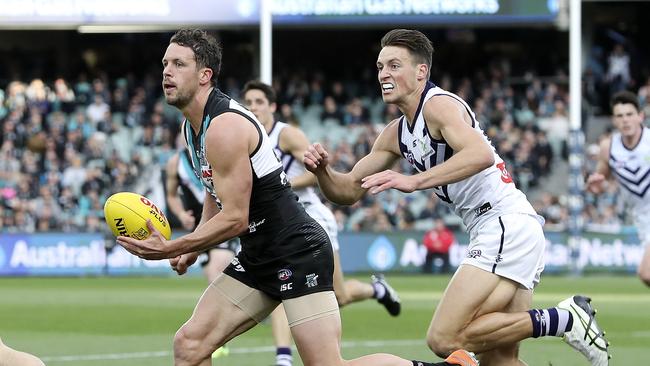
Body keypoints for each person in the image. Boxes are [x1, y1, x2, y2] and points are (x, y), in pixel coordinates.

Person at [116, 28, 477, 366]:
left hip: (297, 250)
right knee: (190, 344)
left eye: (179, 64)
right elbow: (216, 193)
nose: (167, 71)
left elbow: (236, 217)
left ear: (205, 75)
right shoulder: (192, 127)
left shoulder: (225, 127)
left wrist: (174, 246)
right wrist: (194, 247)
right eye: (166, 63)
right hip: (259, 255)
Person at [303, 28, 610, 366]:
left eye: (394, 65)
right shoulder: (396, 133)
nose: (383, 74)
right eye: (379, 67)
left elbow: (479, 154)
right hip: (503, 227)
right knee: (500, 362)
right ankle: (562, 320)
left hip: (503, 223)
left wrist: (415, 181)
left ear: (421, 71)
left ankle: (564, 319)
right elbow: (348, 191)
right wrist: (323, 173)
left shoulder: (439, 106)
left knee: (444, 338)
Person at [242, 80, 401, 366]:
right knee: (283, 285)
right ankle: (283, 358)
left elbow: (317, 172)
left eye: (259, 102)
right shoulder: (244, 136)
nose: (253, 107)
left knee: (339, 295)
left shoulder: (286, 135)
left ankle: (377, 290)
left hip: (310, 216)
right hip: (276, 223)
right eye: (248, 103)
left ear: (273, 107)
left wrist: (280, 185)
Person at [165, 147, 238, 359]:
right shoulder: (175, 162)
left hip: (223, 222)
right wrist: (180, 214)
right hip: (198, 230)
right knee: (212, 279)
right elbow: (171, 195)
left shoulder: (214, 153)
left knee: (217, 272)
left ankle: (219, 337)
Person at [587, 90, 650, 287]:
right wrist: (595, 185)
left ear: (640, 116)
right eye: (620, 116)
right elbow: (600, 179)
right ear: (614, 120)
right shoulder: (609, 147)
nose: (625, 120)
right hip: (642, 218)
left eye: (630, 114)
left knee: (646, 273)